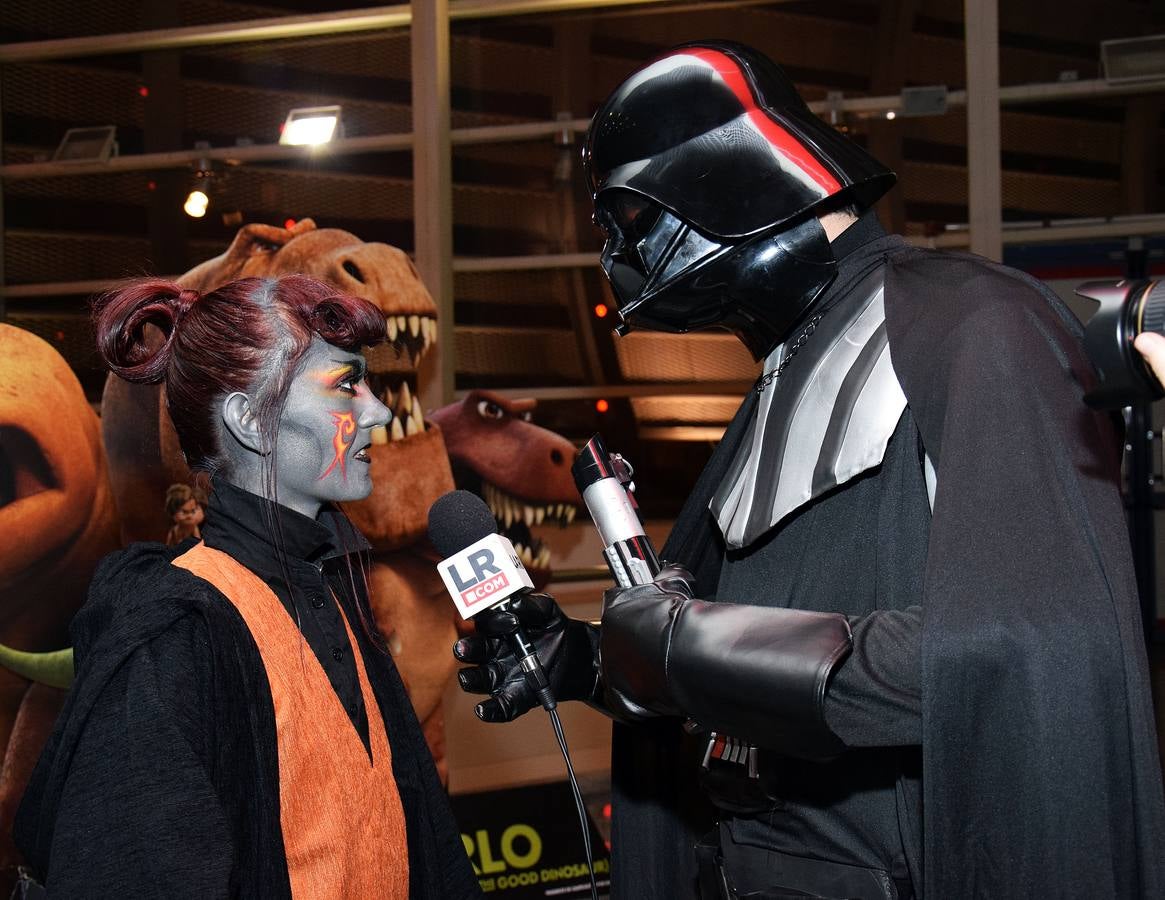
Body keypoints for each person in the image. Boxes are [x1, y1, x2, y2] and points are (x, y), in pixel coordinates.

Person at [454, 42, 1165, 899]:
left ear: (722, 177)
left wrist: (681, 649)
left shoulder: (971, 323)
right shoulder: (781, 379)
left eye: (629, 222)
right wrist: (585, 661)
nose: (618, 261)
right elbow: (733, 671)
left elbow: (1020, 646)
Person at [15, 275, 480, 899]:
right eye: (346, 384)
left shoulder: (335, 591)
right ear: (249, 420)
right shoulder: (172, 633)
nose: (378, 410)